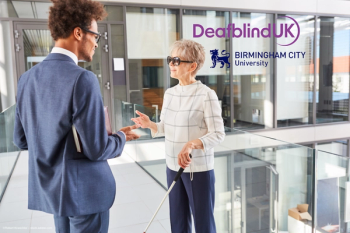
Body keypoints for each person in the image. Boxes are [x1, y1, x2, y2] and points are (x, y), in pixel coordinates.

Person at [13, 0, 140, 232]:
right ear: (79, 33)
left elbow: (21, 140)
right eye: (96, 36)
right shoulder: (83, 79)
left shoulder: (27, 79)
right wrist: (120, 138)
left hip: (55, 193)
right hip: (85, 193)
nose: (96, 43)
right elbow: (97, 149)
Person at [131, 39, 225, 233]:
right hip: (172, 166)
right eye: (170, 60)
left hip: (197, 170)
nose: (171, 64)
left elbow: (218, 134)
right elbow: (165, 127)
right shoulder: (170, 93)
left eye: (176, 60)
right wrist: (151, 125)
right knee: (178, 222)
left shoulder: (206, 94)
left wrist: (192, 144)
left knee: (203, 225)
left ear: (193, 66)